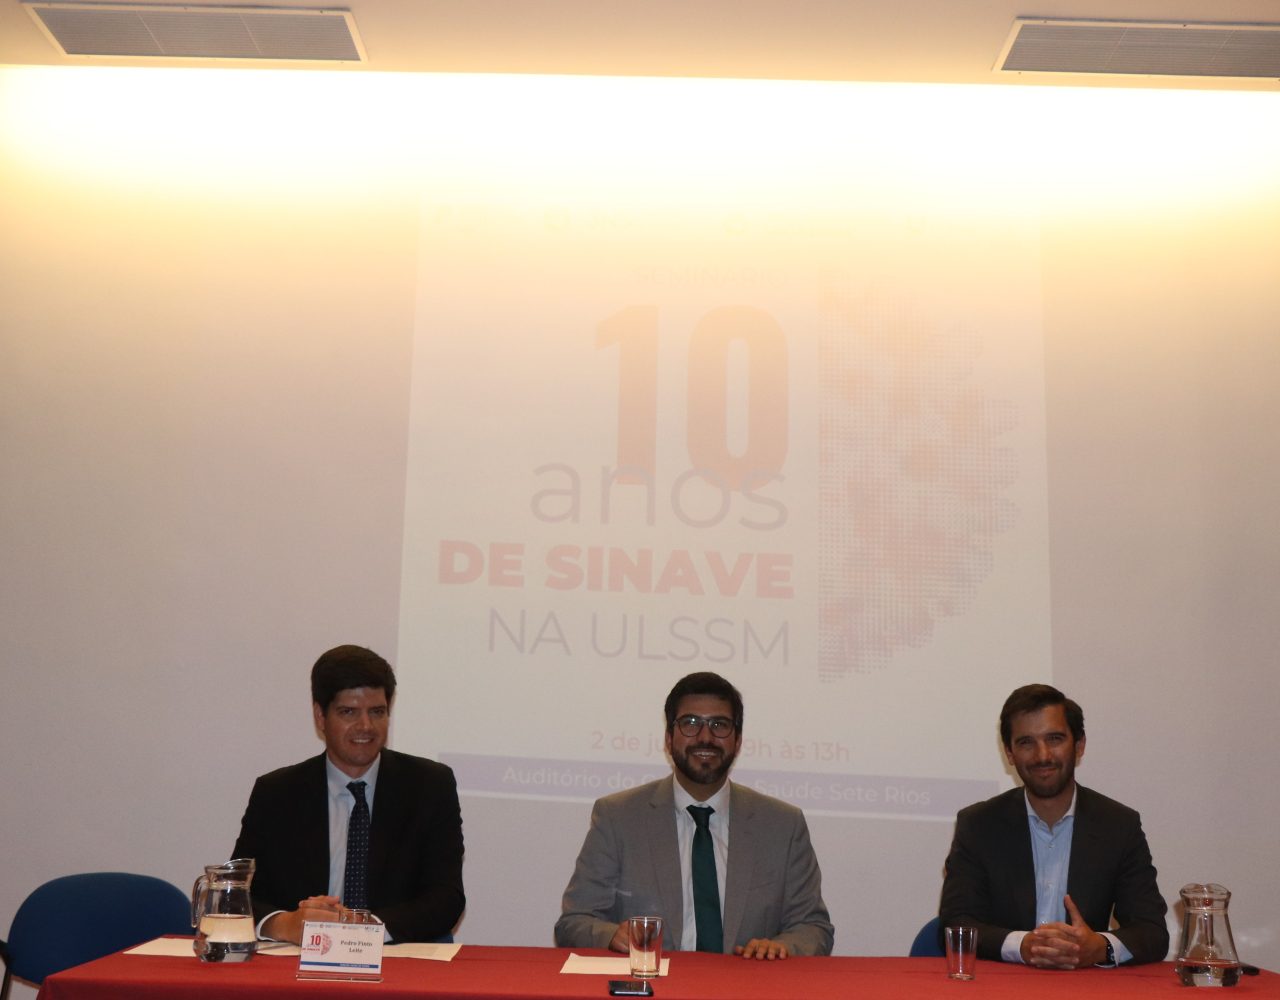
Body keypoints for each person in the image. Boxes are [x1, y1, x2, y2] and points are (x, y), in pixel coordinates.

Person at [554, 671, 834, 959]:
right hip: (651, 983)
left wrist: (783, 948)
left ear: (738, 741)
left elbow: (813, 927)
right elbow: (575, 922)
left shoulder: (782, 825)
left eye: (719, 725)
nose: (705, 737)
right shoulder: (618, 817)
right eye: (690, 723)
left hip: (746, 983)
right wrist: (611, 936)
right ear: (668, 738)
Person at [231, 645, 464, 943]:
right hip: (299, 958)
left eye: (377, 712)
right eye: (349, 712)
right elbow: (236, 893)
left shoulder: (429, 786)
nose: (366, 726)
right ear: (320, 716)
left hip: (394, 953)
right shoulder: (277, 793)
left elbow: (447, 897)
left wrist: (364, 928)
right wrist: (285, 924)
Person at [939, 683, 1169, 968]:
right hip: (1004, 984)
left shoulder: (1119, 826)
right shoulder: (978, 825)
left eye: (1055, 739)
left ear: (1079, 745)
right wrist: (1022, 946)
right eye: (1026, 743)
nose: (1043, 756)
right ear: (1009, 753)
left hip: (1085, 986)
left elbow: (1152, 931)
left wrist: (1100, 947)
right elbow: (955, 924)